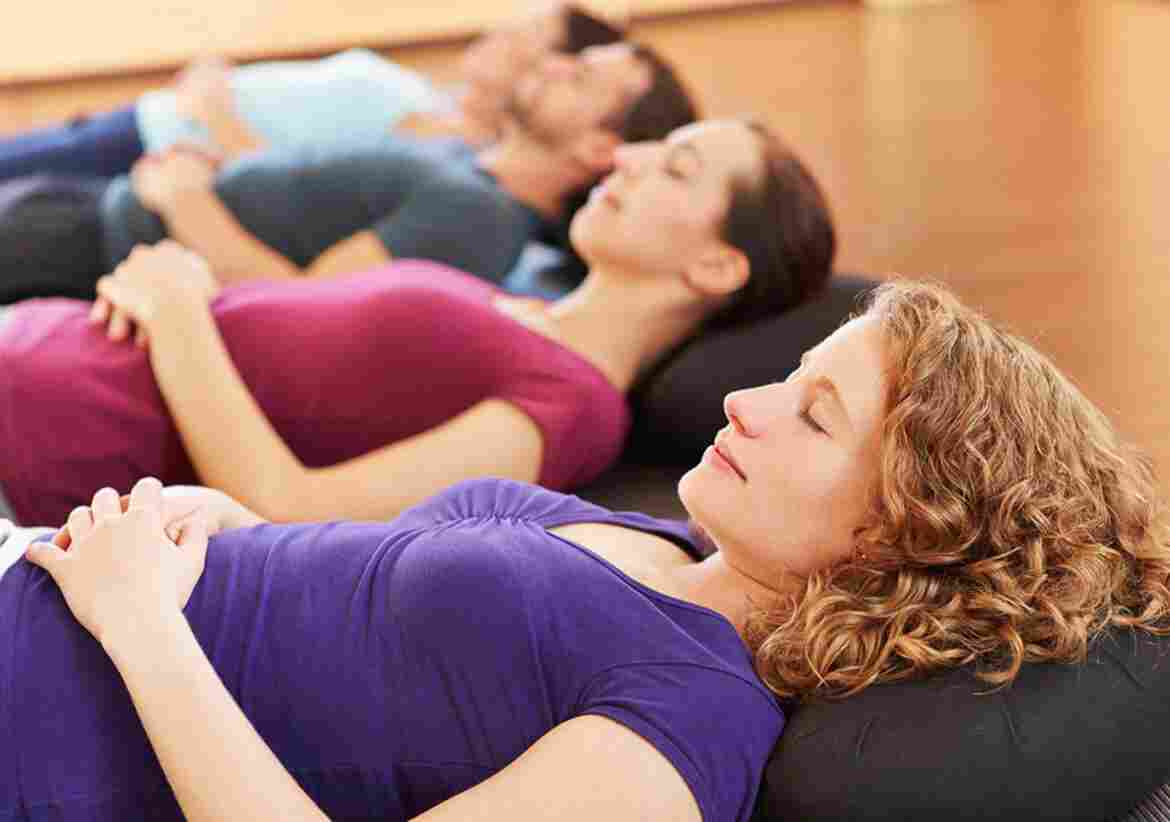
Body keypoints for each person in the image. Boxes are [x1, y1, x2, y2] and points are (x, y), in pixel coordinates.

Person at [6, 278, 1168, 821]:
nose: (748, 403)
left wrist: (143, 624)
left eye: (813, 417)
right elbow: (356, 634)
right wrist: (230, 525)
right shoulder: (650, 536)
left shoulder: (698, 719)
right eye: (790, 375)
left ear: (896, 535)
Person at [0, 119, 835, 528]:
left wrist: (180, 310)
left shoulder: (577, 407)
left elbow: (291, 511)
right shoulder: (517, 300)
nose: (628, 156)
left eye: (675, 168)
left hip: (28, 453)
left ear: (716, 267)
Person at [0, 40, 697, 304]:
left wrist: (186, 200)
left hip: (97, 249)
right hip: (99, 209)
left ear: (598, 148)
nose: (554, 65)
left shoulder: (480, 220)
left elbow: (294, 302)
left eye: (581, 78)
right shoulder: (463, 168)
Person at [0, 2, 625, 180]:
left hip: (156, 147)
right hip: (146, 121)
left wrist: (214, 104)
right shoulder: (436, 102)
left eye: (524, 39)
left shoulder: (442, 142)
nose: (499, 36)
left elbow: (284, 180)